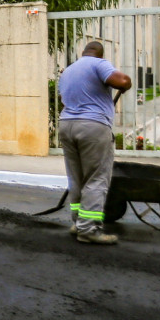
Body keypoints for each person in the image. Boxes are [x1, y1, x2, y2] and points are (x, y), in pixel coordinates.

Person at [58, 41, 132, 245]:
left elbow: (64, 98)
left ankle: (78, 223)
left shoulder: (68, 71)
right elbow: (121, 80)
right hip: (93, 126)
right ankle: (89, 229)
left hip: (66, 124)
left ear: (83, 52)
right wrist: (128, 83)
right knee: (96, 178)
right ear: (100, 54)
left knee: (76, 178)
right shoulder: (98, 64)